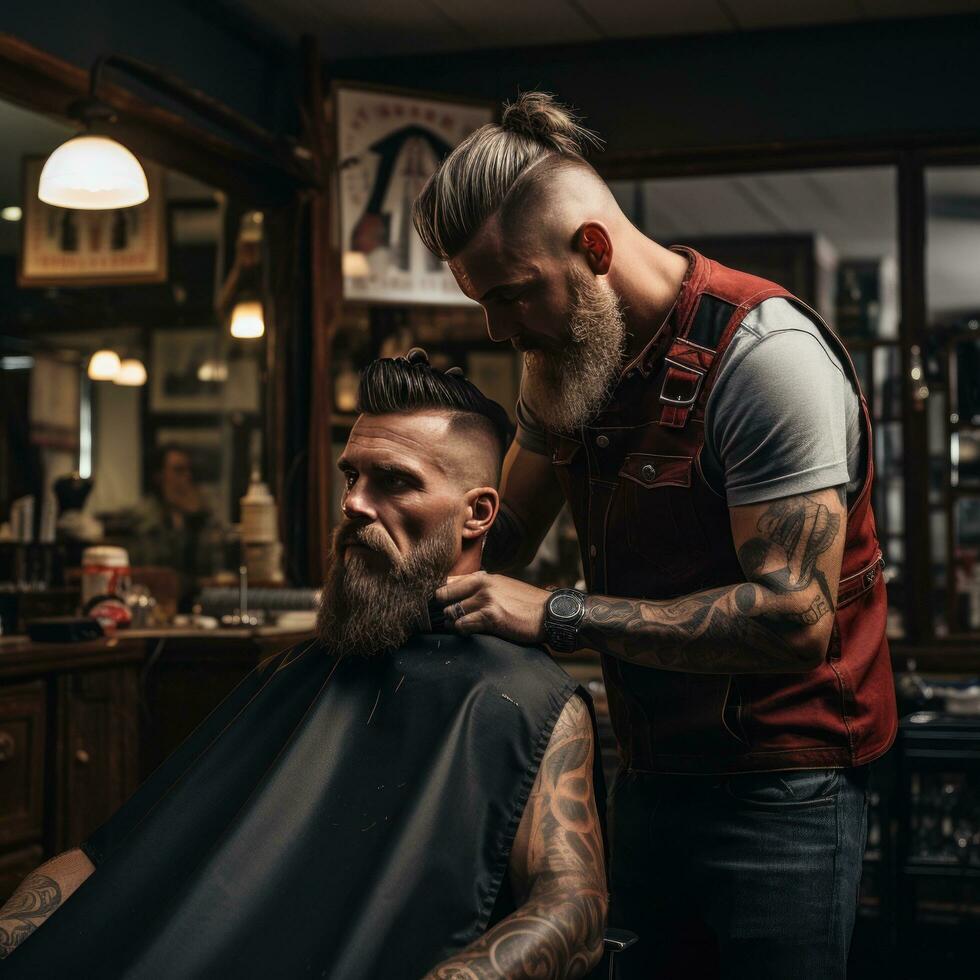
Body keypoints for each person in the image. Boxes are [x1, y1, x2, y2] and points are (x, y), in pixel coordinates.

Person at [413, 92, 898, 979]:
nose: (499, 328)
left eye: (513, 296)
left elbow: (797, 620)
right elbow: (508, 530)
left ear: (592, 249)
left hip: (781, 789)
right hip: (644, 774)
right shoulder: (567, 357)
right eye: (485, 302)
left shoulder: (765, 360)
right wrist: (401, 521)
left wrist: (560, 615)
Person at [0, 351, 607, 980]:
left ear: (476, 513)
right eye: (352, 477)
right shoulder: (291, 671)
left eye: (394, 482)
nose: (354, 504)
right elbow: (109, 857)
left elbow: (573, 906)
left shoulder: (526, 700)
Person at [126, 444, 222, 607]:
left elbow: (212, 565)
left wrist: (197, 520)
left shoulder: (201, 515)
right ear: (160, 476)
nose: (186, 477)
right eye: (178, 471)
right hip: (154, 604)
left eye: (188, 471)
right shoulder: (144, 518)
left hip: (200, 604)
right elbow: (153, 567)